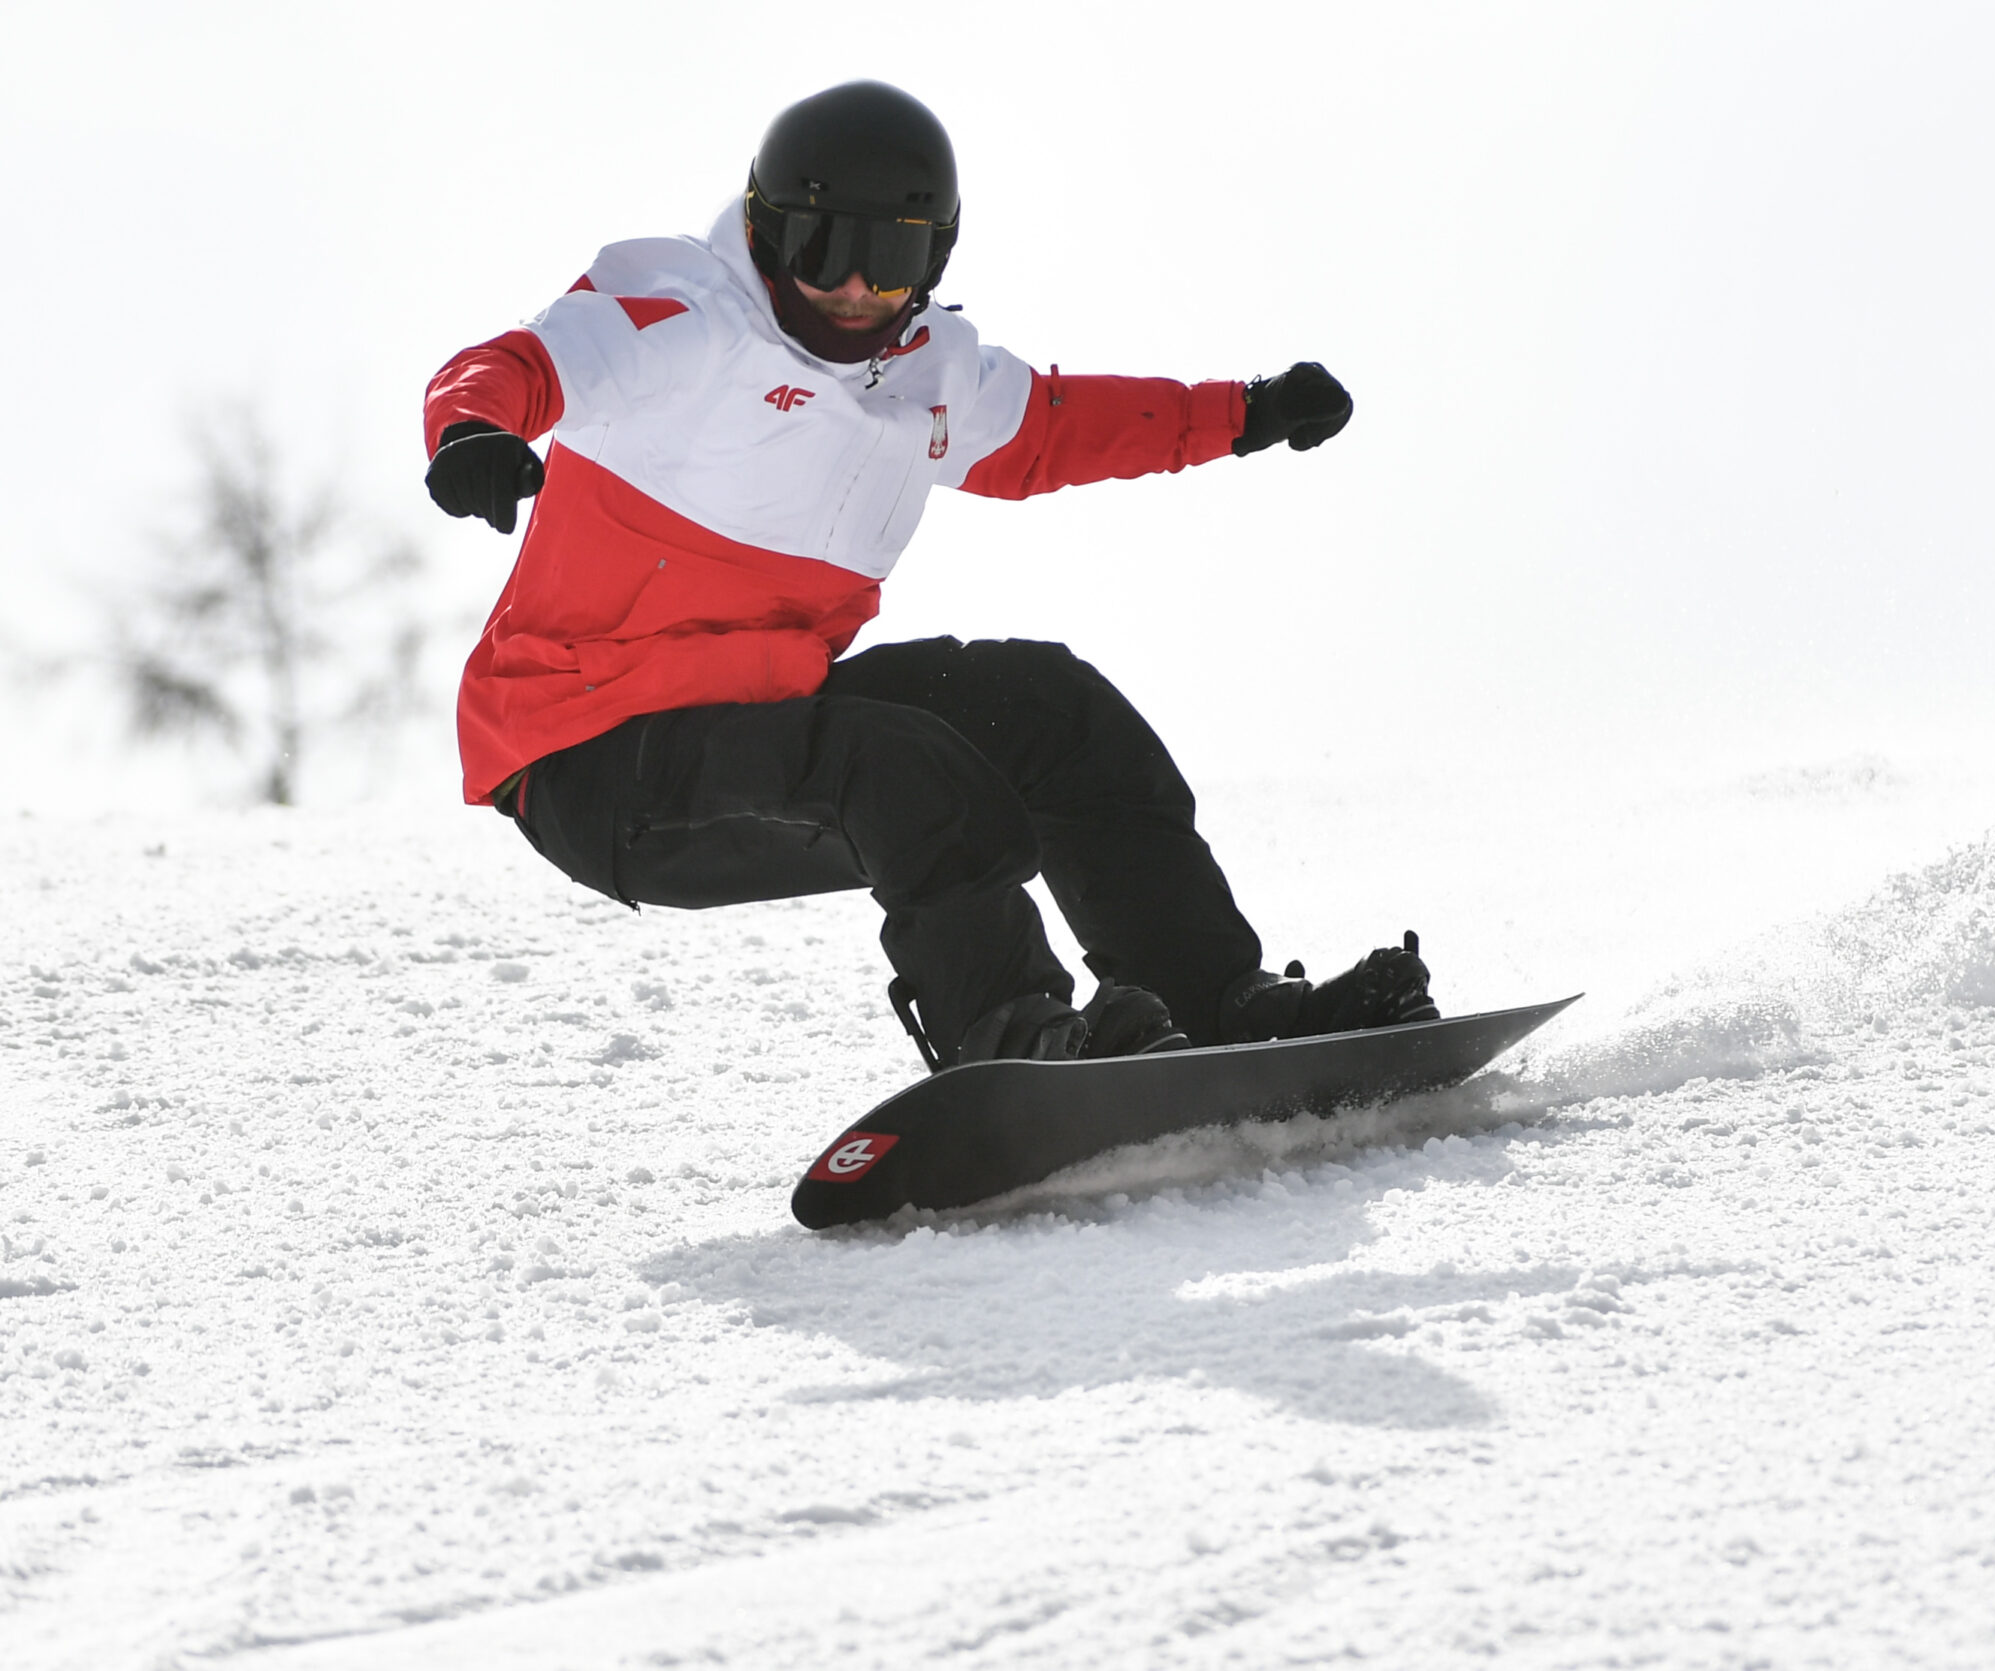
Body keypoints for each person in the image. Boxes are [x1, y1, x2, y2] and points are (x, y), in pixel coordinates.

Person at [421, 79, 1435, 1069]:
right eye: (825, 253)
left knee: (1052, 708)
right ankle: (1013, 1039)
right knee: (894, 759)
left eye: (890, 261)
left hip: (763, 718)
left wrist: (1240, 414)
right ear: (769, 237)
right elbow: (516, 364)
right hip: (593, 757)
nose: (856, 291)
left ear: (935, 256)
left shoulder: (926, 376)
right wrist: (469, 433)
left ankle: (1214, 1007)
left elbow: (1047, 430)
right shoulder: (683, 314)